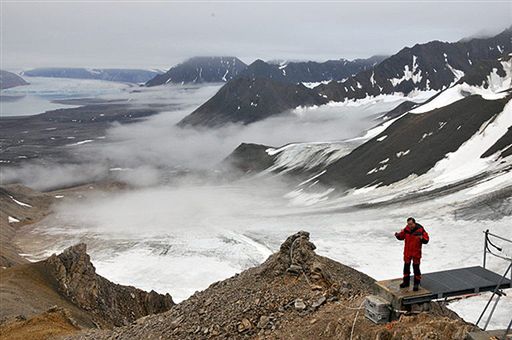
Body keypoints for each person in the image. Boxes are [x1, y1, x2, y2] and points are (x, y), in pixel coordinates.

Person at [395, 217, 429, 291]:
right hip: (407, 252)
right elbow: (401, 236)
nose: (410, 226)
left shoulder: (420, 230)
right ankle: (406, 282)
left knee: (416, 268)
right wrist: (397, 235)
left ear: (414, 223)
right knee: (406, 268)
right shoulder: (406, 229)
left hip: (416, 252)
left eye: (411, 224)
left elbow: (426, 240)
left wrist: (421, 238)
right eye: (408, 224)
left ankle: (416, 283)